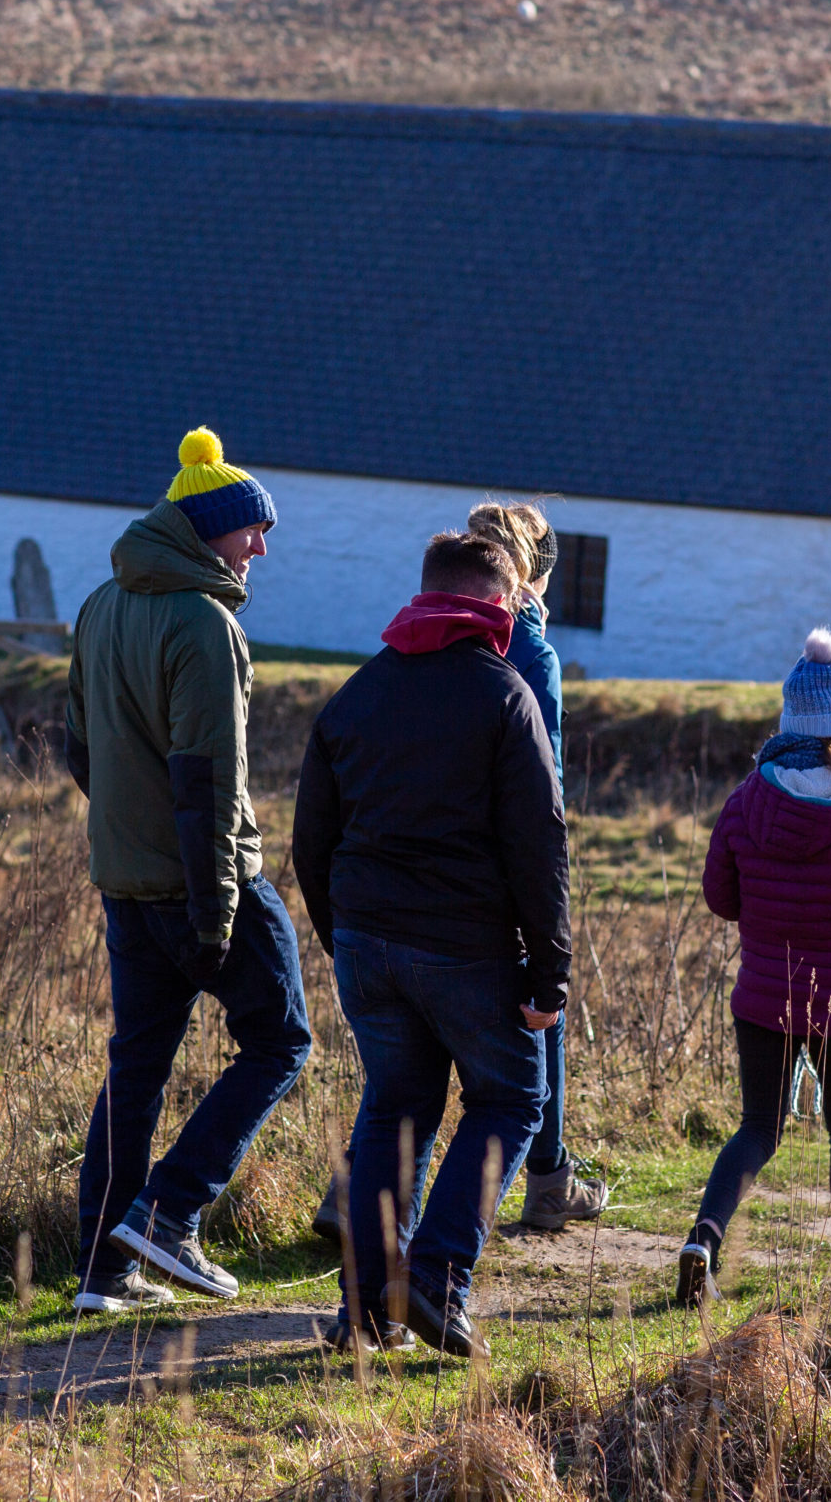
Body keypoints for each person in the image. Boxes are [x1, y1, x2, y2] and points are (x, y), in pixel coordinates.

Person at [293, 532, 570, 1357]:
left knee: (395, 1106)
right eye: (516, 596)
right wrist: (549, 974)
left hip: (367, 946)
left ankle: (365, 1310)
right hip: (465, 948)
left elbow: (312, 842)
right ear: (497, 603)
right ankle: (437, 1279)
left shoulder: (353, 697)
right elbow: (539, 845)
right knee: (515, 1094)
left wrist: (343, 937)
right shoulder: (505, 695)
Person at [64, 428, 312, 1314]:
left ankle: (103, 1268)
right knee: (283, 1039)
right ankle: (168, 1215)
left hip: (124, 886)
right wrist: (216, 914)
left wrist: (130, 836)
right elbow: (207, 781)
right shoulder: (208, 626)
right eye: (252, 530)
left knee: (137, 1067)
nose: (261, 547)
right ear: (209, 529)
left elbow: (79, 750)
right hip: (210, 883)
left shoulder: (100, 604)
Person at [678, 628, 831, 1310]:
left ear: (790, 717)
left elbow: (721, 898)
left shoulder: (749, 796)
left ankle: (703, 1239)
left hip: (762, 999)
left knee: (759, 1127)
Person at [465, 501, 608, 1230]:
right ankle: (545, 1181)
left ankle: (365, 1190)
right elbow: (540, 777)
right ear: (534, 576)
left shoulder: (428, 625)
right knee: (539, 1011)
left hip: (420, 854)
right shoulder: (530, 651)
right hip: (500, 860)